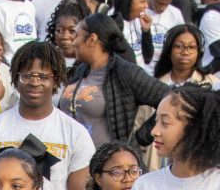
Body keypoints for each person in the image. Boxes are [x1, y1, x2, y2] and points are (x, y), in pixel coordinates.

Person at [0, 42, 93, 190]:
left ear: (56, 80)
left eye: (43, 76)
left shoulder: (76, 133)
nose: (34, 82)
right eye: (27, 76)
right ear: (15, 79)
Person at [57, 15, 167, 155]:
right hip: (75, 162)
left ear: (92, 39)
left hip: (111, 168)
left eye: (77, 35)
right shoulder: (81, 70)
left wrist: (142, 137)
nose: (73, 43)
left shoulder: (126, 73)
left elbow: (171, 97)